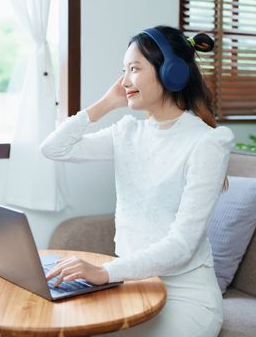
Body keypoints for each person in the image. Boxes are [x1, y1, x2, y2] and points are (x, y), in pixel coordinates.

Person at [39, 25, 234, 337]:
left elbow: (182, 245)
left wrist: (105, 273)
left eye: (134, 69)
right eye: (124, 70)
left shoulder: (207, 143)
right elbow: (53, 148)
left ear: (171, 72)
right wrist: (104, 104)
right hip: (132, 287)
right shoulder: (127, 132)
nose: (124, 81)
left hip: (185, 297)